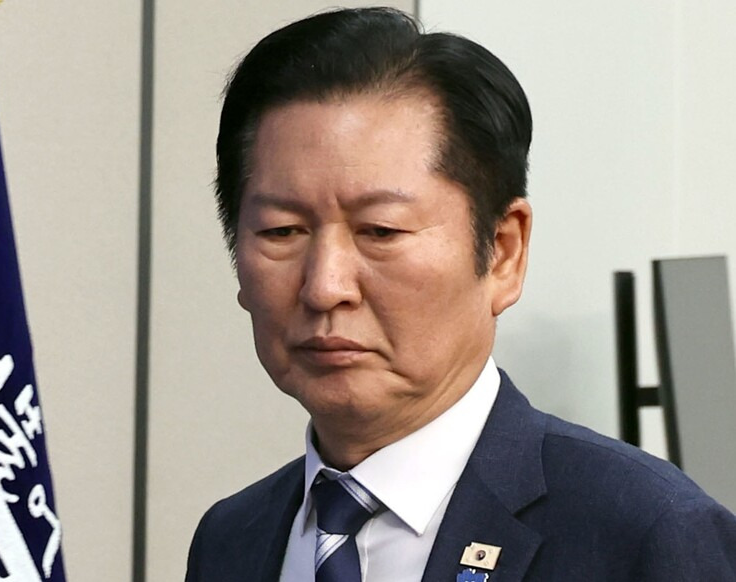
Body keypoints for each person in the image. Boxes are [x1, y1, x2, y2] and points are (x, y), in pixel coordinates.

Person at [185, 7, 736, 582]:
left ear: (502, 252)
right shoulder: (232, 539)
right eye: (282, 231)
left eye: (381, 231)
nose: (326, 287)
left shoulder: (647, 533)